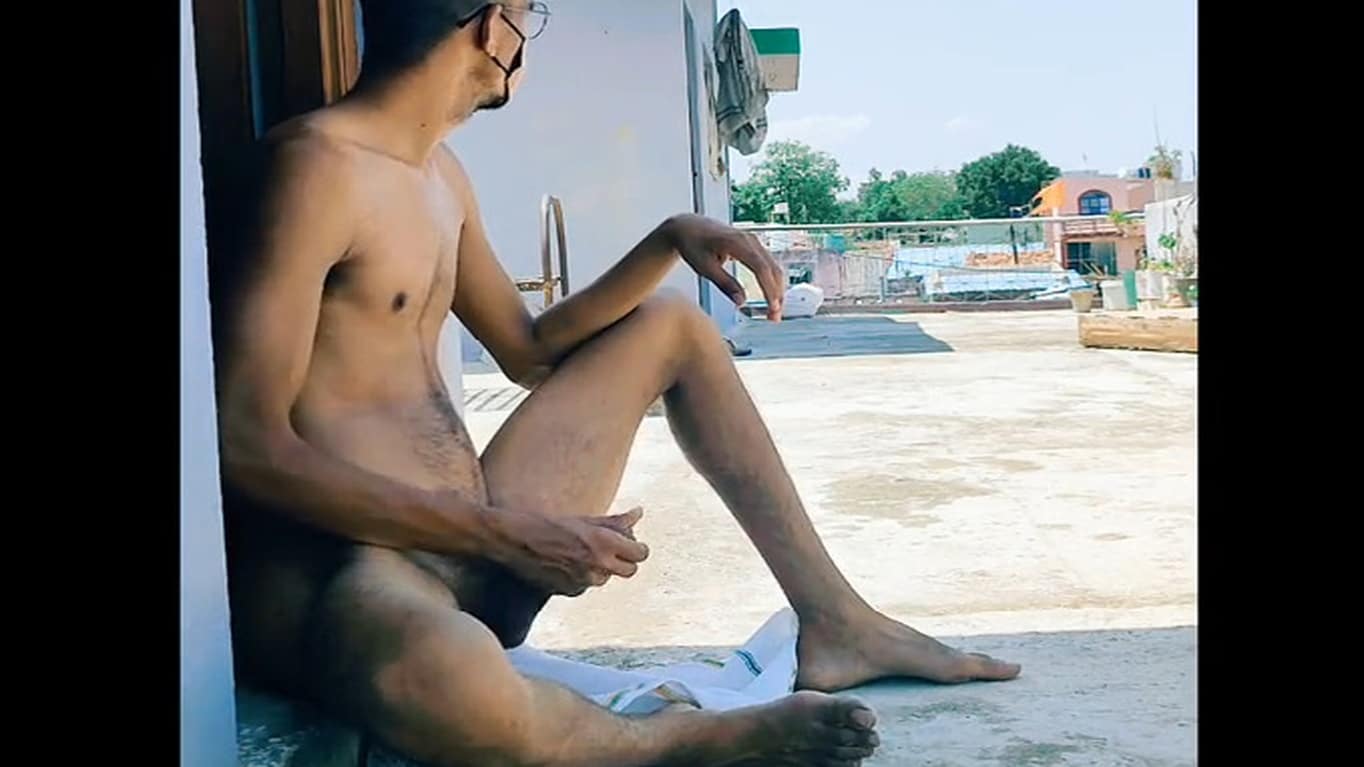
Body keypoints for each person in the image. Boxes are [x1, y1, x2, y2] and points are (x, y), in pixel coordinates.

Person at [215, 2, 1020, 765]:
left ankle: (837, 620)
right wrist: (501, 533)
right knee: (438, 676)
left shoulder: (439, 174)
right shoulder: (313, 170)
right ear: (494, 29)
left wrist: (666, 241)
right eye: (528, 17)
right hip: (358, 570)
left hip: (469, 548)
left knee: (673, 323)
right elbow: (247, 446)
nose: (527, 37)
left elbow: (527, 349)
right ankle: (678, 740)